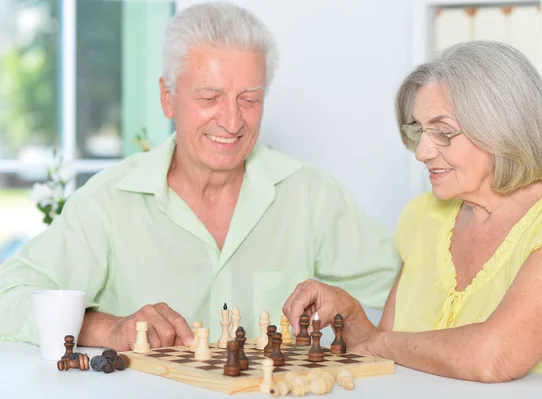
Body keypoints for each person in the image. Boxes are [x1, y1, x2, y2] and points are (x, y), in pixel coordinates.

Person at [0, 2, 400, 350]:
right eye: (209, 98)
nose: (231, 121)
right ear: (167, 97)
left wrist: (351, 308)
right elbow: (8, 297)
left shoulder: (311, 195)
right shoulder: (107, 201)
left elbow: (419, 295)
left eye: (250, 100)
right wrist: (105, 327)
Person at [283, 40, 542, 381]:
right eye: (419, 130)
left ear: (505, 128)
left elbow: (494, 356)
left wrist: (382, 345)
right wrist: (350, 313)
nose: (422, 152)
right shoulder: (425, 216)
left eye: (443, 132)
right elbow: (389, 352)